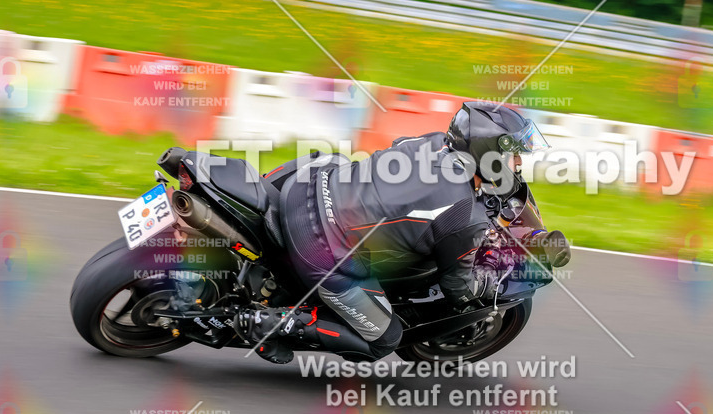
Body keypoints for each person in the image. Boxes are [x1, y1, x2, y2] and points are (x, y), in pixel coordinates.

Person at [237, 101, 570, 363]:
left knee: (338, 161)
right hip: (320, 244)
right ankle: (275, 325)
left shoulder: (435, 142)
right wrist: (498, 279)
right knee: (385, 338)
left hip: (309, 185)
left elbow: (407, 162)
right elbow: (461, 289)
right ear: (490, 155)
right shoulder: (462, 215)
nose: (517, 164)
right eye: (512, 156)